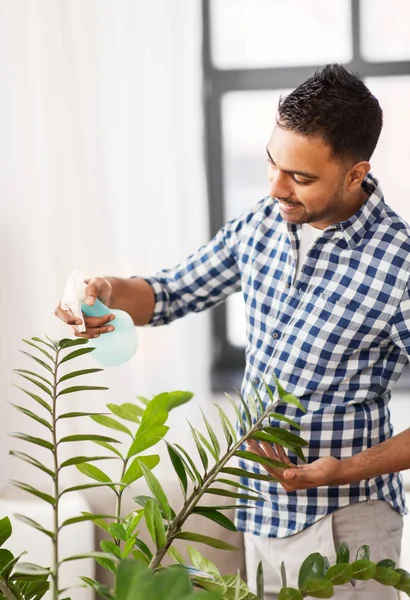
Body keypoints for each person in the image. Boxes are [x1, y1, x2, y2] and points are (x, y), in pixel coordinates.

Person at [56, 64, 410, 599]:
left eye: (301, 177)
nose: (276, 187)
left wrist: (344, 470)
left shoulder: (399, 265)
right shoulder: (262, 225)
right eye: (273, 163)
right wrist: (106, 288)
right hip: (260, 511)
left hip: (346, 518)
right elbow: (169, 291)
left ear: (356, 173)